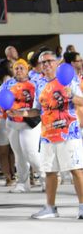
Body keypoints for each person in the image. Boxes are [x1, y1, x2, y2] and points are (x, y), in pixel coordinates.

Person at [24, 51, 83, 219]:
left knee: (76, 170)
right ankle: (50, 208)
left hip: (68, 133)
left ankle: (82, 207)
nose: (46, 64)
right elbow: (37, 109)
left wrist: (72, 95)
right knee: (49, 171)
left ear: (57, 62)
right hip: (48, 135)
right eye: (43, 62)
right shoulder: (39, 84)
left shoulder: (69, 79)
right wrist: (21, 112)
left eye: (49, 61)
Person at [0, 59, 44, 193]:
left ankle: (45, 178)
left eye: (22, 68)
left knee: (31, 153)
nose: (19, 70)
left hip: (30, 122)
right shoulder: (9, 83)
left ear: (27, 69)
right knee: (18, 154)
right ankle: (23, 183)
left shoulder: (36, 82)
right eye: (16, 68)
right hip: (12, 122)